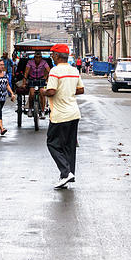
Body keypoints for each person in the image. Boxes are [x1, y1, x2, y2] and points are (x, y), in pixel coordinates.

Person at [44, 44, 83, 188]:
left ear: (57, 56)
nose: (52, 57)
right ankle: (67, 176)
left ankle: (66, 173)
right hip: (74, 113)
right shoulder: (74, 70)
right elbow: (81, 89)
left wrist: (43, 92)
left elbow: (52, 91)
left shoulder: (55, 71)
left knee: (52, 143)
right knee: (69, 146)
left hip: (60, 115)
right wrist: (68, 92)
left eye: (52, 55)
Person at [26, 51, 51, 119]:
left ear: (41, 57)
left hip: (41, 80)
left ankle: (43, 111)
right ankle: (30, 109)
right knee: (31, 93)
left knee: (42, 94)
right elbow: (26, 71)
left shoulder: (44, 62)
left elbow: (49, 70)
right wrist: (24, 81)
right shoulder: (30, 62)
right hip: (32, 79)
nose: (38, 59)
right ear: (34, 57)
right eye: (36, 57)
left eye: (39, 57)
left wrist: (47, 78)